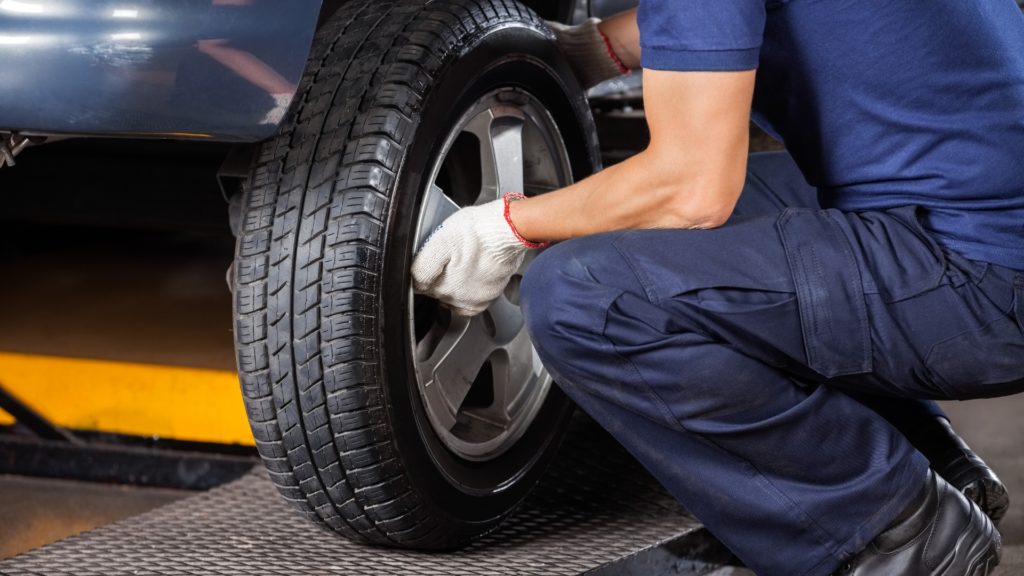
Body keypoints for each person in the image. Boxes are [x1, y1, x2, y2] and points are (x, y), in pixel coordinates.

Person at [412, 3, 1024, 575]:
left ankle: (888, 530)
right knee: (667, 231)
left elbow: (691, 190)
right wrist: (601, 50)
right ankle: (932, 459)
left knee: (586, 296)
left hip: (982, 278)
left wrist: (507, 226)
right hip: (979, 216)